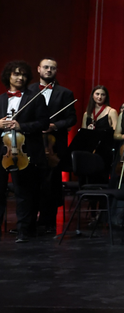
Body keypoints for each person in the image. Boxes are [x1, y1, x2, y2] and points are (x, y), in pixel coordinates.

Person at [1, 61, 49, 243]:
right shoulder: (0, 99)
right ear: (8, 76)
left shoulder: (35, 97)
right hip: (2, 151)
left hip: (24, 151)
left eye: (23, 75)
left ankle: (24, 230)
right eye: (16, 74)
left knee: (24, 193)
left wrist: (21, 126)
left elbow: (43, 123)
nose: (20, 78)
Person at [28, 57, 76, 235]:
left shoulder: (65, 93)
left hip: (53, 146)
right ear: (39, 69)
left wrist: (54, 126)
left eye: (53, 68)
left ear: (56, 71)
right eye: (46, 67)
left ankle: (47, 222)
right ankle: (28, 223)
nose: (49, 70)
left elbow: (72, 119)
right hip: (32, 144)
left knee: (50, 184)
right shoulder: (28, 91)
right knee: (31, 184)